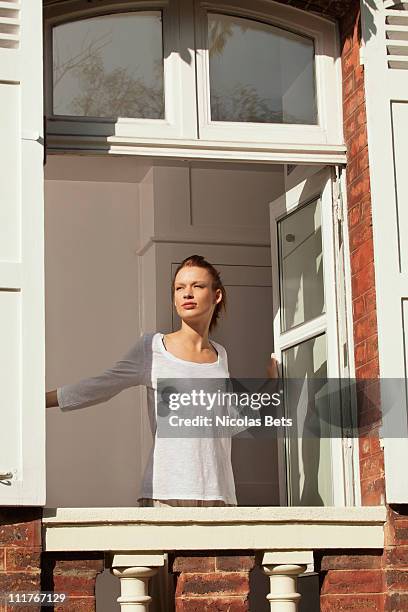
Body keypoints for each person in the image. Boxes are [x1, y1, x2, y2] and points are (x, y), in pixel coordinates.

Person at [46, 254, 280, 609]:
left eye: (197, 286)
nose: (186, 294)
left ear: (216, 296)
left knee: (215, 600)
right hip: (166, 492)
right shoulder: (152, 348)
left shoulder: (221, 355)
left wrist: (271, 386)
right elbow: (102, 385)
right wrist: (31, 402)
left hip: (217, 494)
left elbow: (228, 422)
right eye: (179, 287)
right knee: (164, 604)